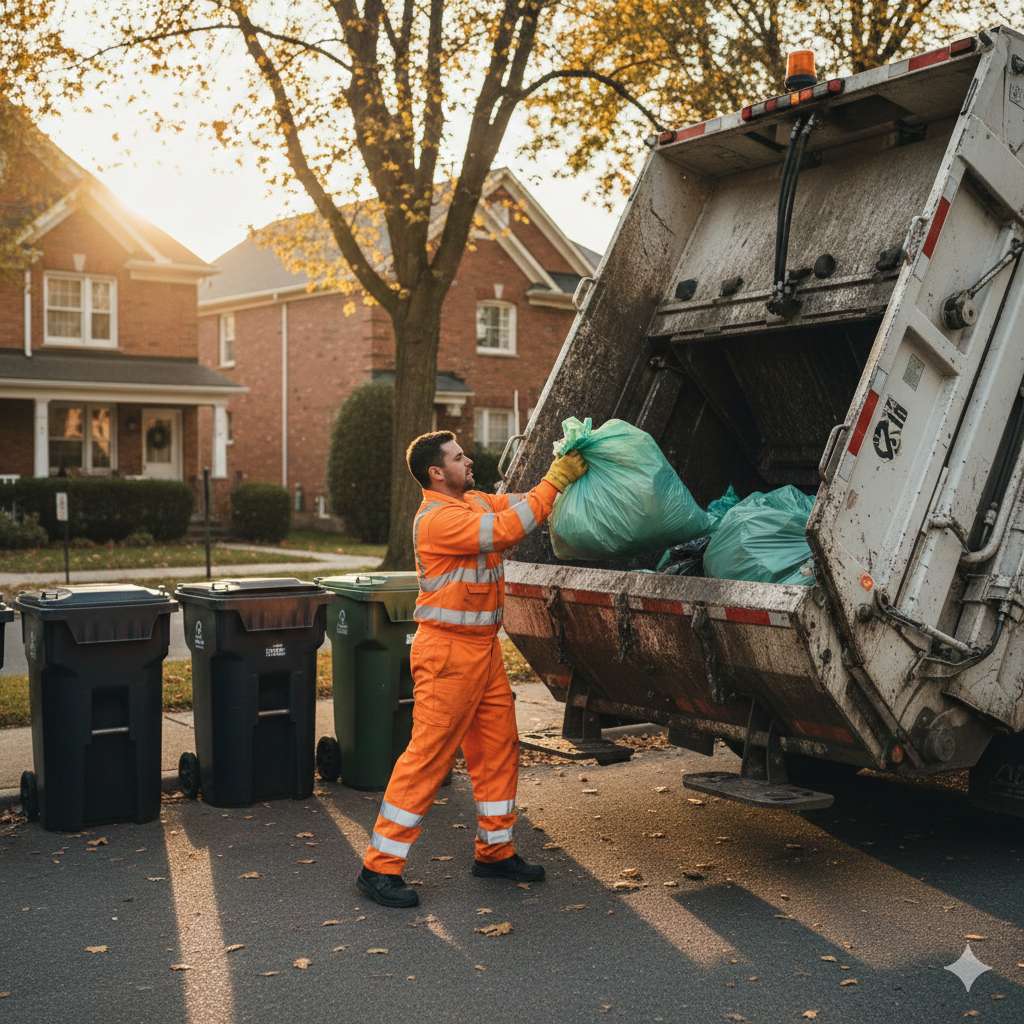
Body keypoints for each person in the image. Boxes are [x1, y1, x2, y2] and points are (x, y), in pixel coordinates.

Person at [357, 430, 588, 907]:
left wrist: (565, 479)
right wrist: (553, 482)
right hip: (446, 654)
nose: (469, 461)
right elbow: (506, 530)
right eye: (459, 458)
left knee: (498, 750)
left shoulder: (472, 503)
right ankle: (379, 868)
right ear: (436, 473)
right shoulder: (437, 519)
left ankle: (495, 852)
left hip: (482, 651)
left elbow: (518, 504)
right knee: (428, 757)